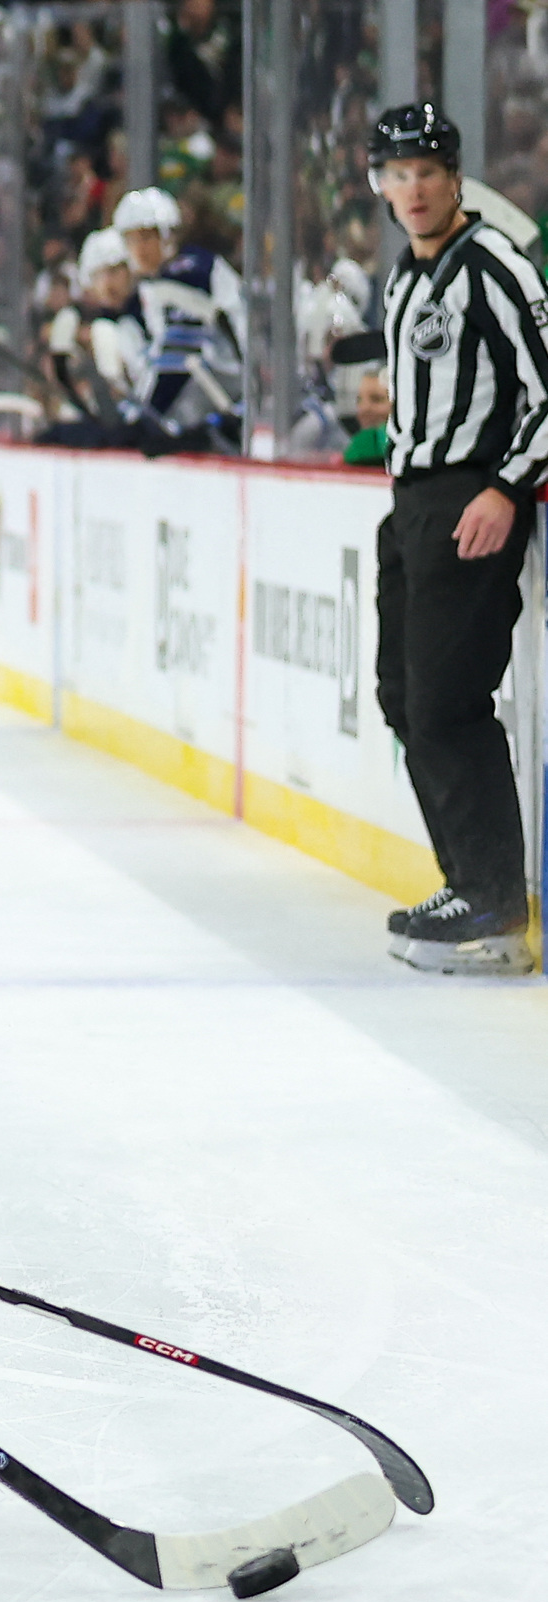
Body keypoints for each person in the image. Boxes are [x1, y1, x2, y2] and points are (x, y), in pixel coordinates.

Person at [360, 104, 548, 974]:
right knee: (402, 696)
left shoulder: (496, 268)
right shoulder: (402, 281)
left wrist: (507, 487)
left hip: (471, 504)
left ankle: (495, 900)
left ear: (455, 176)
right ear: (379, 184)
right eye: (397, 174)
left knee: (448, 704)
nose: (414, 188)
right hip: (413, 507)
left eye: (427, 170)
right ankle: (466, 878)